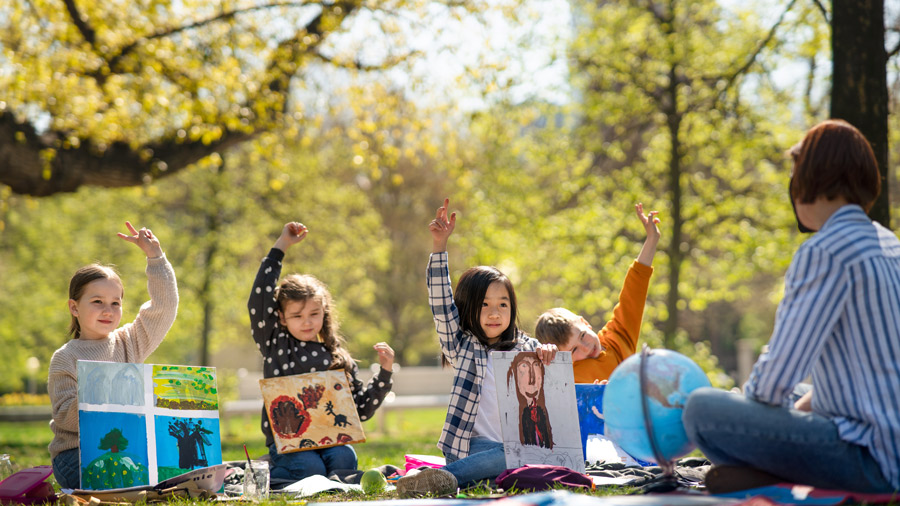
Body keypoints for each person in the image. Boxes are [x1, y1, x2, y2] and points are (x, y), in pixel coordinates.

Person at [683, 119, 900, 493]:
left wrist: (752, 417)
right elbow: (869, 377)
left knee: (702, 409)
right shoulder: (890, 244)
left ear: (808, 179)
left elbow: (771, 385)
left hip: (870, 460)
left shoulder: (825, 252)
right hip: (888, 436)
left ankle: (764, 469)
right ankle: (768, 468)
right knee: (801, 393)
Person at [396, 199, 558, 496]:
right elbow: (441, 305)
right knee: (512, 455)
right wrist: (439, 246)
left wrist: (548, 350)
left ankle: (456, 480)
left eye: (502, 304)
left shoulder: (525, 346)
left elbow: (549, 359)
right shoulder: (463, 346)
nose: (494, 313)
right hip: (472, 447)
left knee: (525, 456)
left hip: (520, 447)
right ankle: (442, 477)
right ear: (469, 308)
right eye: (484, 305)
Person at [248, 221, 394, 483]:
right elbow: (258, 301)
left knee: (345, 459)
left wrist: (385, 372)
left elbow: (360, 410)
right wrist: (281, 246)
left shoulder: (337, 357)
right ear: (281, 317)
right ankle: (267, 468)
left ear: (324, 311)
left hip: (330, 440)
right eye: (297, 315)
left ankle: (332, 485)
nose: (307, 322)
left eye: (314, 313)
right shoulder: (276, 344)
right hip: (289, 444)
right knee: (309, 469)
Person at [48, 222, 179, 489]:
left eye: (115, 303)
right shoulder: (65, 358)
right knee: (125, 474)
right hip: (77, 456)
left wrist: (156, 258)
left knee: (171, 469)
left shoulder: (129, 341)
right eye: (97, 301)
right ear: (74, 307)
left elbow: (164, 308)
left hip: (130, 449)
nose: (108, 310)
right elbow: (66, 418)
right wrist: (106, 388)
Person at [534, 203, 660, 383]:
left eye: (583, 336)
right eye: (574, 351)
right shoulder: (561, 378)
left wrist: (652, 240)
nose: (586, 348)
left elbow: (634, 293)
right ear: (559, 359)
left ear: (585, 323)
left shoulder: (615, 342)